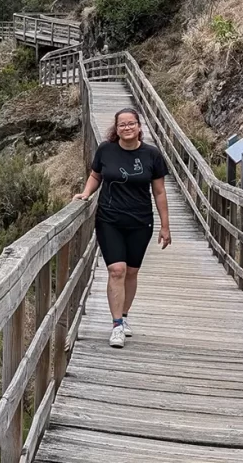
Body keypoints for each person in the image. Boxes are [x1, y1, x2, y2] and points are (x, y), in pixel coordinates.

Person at [73, 107, 171, 348]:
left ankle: (124, 316)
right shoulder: (106, 150)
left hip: (140, 222)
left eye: (131, 124)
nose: (126, 128)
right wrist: (86, 193)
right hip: (110, 219)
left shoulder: (152, 155)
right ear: (116, 129)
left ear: (139, 127)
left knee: (131, 272)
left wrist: (165, 226)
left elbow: (159, 192)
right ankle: (116, 325)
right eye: (122, 125)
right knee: (117, 270)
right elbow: (96, 175)